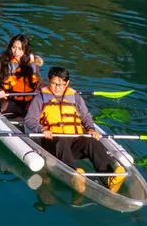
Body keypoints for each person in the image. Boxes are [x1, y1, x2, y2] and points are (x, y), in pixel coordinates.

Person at [24, 66, 126, 194]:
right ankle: (74, 176)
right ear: (49, 80)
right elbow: (29, 119)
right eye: (54, 83)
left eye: (61, 84)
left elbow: (86, 117)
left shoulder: (75, 97)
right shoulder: (40, 98)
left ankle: (109, 179)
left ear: (67, 83)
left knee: (92, 142)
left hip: (74, 140)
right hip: (53, 142)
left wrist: (91, 129)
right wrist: (41, 129)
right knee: (60, 141)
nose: (57, 87)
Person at [0, 34, 44, 118]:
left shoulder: (32, 63)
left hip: (28, 101)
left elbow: (39, 82)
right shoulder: (3, 62)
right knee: (5, 107)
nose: (16, 52)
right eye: (14, 47)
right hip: (8, 100)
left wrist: (50, 90)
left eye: (20, 49)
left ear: (26, 49)